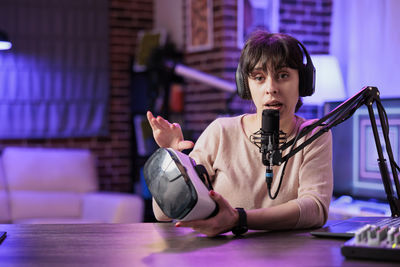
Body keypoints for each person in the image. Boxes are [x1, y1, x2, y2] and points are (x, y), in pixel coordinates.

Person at [146, 31, 333, 237]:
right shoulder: (221, 132)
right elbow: (163, 214)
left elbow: (315, 209)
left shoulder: (313, 135)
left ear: (303, 82)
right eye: (259, 78)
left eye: (283, 75)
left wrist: (239, 219)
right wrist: (173, 159)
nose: (271, 88)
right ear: (246, 85)